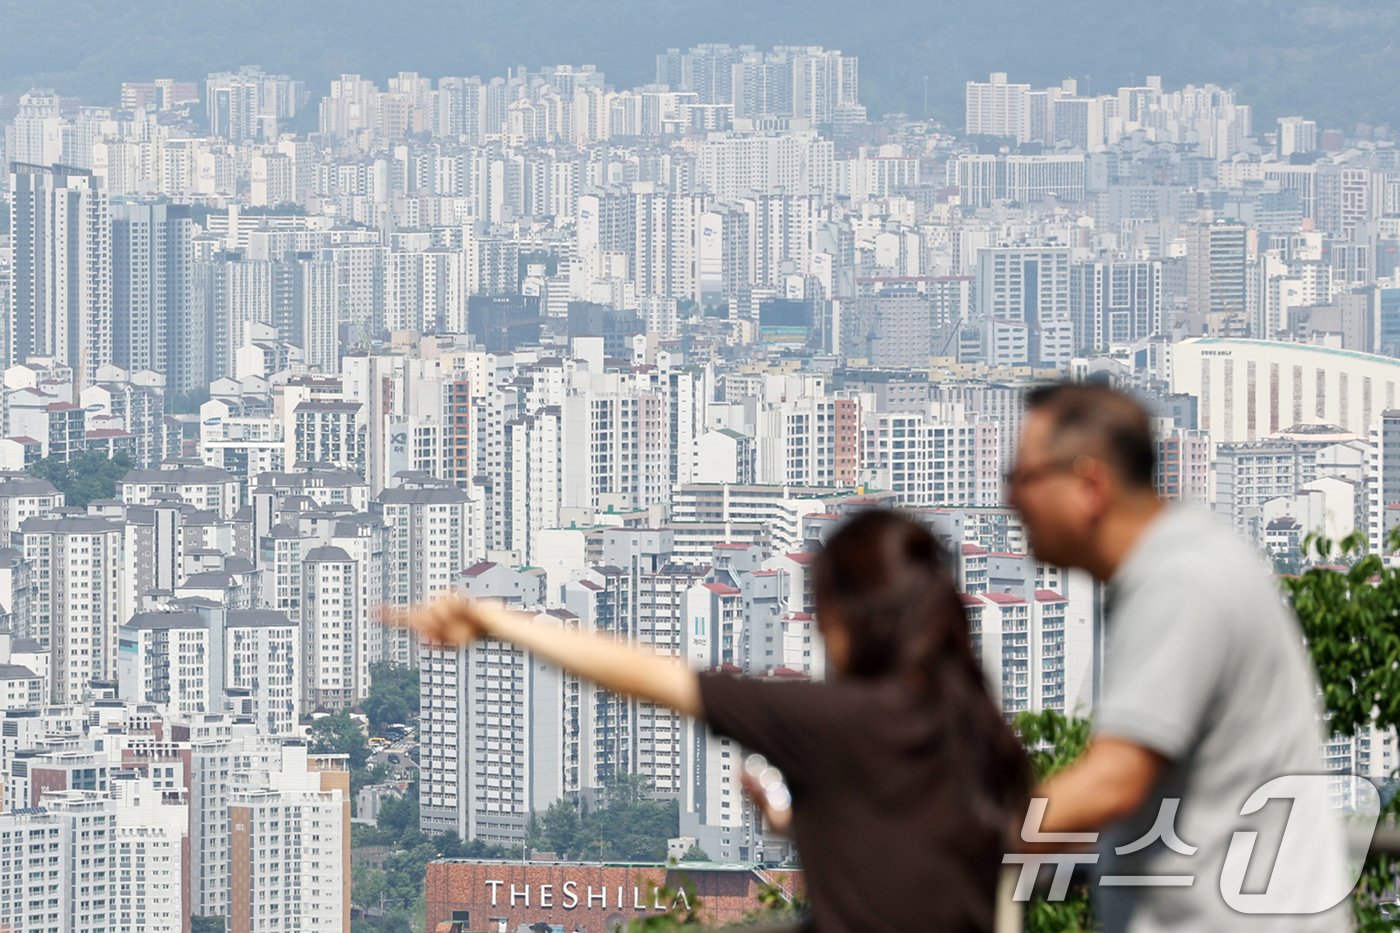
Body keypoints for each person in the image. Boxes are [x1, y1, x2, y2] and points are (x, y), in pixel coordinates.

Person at [410, 510, 1029, 933]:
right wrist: (790, 821)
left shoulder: (839, 721)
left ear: (852, 617)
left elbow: (649, 677)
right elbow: (909, 848)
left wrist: (496, 621)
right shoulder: (981, 731)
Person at [1005, 381, 1348, 933]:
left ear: (1089, 484)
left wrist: (965, 845)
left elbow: (1115, 779)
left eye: (1023, 478)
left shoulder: (1180, 582)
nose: (1011, 500)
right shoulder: (1185, 560)